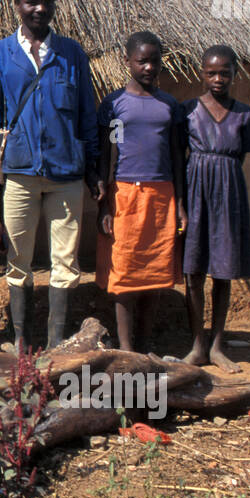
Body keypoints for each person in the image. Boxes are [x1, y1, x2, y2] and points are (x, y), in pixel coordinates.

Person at [0, 0, 102, 353]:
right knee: (18, 260)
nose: (40, 8)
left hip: (66, 173)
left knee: (66, 261)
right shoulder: (0, 54)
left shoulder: (72, 53)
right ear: (17, 5)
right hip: (19, 172)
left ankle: (57, 342)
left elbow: (87, 116)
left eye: (46, 1)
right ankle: (20, 339)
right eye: (32, 2)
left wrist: (93, 168)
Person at [96, 31, 187, 354]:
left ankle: (147, 342)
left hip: (162, 195)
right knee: (124, 273)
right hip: (124, 195)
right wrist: (105, 203)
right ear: (127, 62)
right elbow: (106, 155)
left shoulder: (169, 106)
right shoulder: (114, 104)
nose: (149, 67)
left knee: (156, 272)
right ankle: (125, 347)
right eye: (142, 61)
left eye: (155, 61)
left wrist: (181, 205)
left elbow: (177, 155)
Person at [180, 45, 250, 373]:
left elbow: (241, 157)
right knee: (194, 271)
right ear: (201, 72)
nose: (218, 78)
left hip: (229, 192)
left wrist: (220, 173)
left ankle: (217, 345)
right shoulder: (187, 111)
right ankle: (197, 344)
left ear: (234, 74)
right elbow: (176, 155)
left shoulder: (245, 114)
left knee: (223, 271)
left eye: (224, 72)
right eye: (211, 72)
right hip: (195, 189)